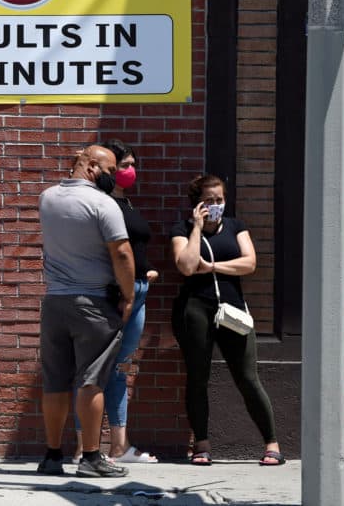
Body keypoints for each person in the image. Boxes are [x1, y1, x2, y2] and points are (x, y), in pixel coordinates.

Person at [170, 174, 284, 466]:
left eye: (220, 199)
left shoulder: (235, 226)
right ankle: (202, 444)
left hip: (233, 311)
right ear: (197, 204)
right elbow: (185, 265)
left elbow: (250, 262)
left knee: (248, 377)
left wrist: (212, 267)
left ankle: (272, 443)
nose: (216, 205)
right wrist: (197, 228)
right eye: (209, 201)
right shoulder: (182, 229)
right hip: (196, 310)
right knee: (198, 378)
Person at [36, 145, 135, 478]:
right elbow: (121, 254)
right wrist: (128, 295)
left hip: (55, 303)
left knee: (55, 382)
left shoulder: (47, 198)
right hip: (94, 304)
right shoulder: (103, 204)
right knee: (92, 381)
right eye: (109, 172)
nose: (113, 179)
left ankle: (52, 456)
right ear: (92, 166)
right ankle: (91, 457)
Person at [71, 141, 159, 464]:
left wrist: (144, 271)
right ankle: (84, 447)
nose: (129, 171)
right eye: (123, 166)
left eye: (132, 165)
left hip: (139, 291)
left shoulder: (129, 204)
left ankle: (119, 446)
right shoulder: (101, 203)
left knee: (119, 368)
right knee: (91, 370)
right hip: (112, 294)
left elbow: (132, 245)